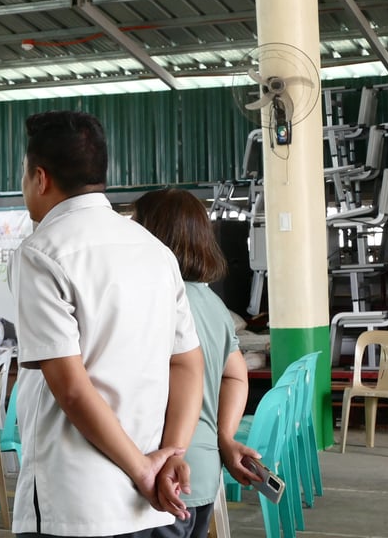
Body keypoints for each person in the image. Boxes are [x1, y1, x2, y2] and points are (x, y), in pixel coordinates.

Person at [8, 110, 204, 538]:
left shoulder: (40, 253)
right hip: (155, 504)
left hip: (77, 505)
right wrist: (170, 454)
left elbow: (73, 389)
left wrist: (143, 470)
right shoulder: (154, 251)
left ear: (40, 178)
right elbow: (189, 364)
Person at [132, 188, 261, 538]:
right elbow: (236, 376)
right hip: (203, 470)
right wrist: (225, 437)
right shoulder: (214, 305)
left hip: (163, 475)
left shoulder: (153, 301)